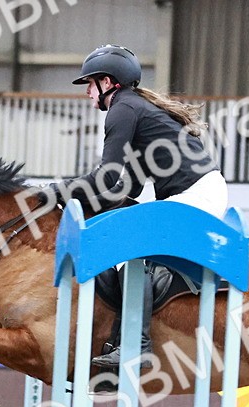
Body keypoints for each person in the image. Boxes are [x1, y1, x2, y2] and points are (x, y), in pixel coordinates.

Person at [43, 44, 229, 372]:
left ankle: (136, 344)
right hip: (200, 193)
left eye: (91, 83)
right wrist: (81, 199)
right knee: (123, 226)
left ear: (109, 82)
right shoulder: (136, 107)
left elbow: (107, 176)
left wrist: (53, 191)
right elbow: (128, 186)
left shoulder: (123, 109)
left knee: (125, 245)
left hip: (194, 197)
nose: (87, 92)